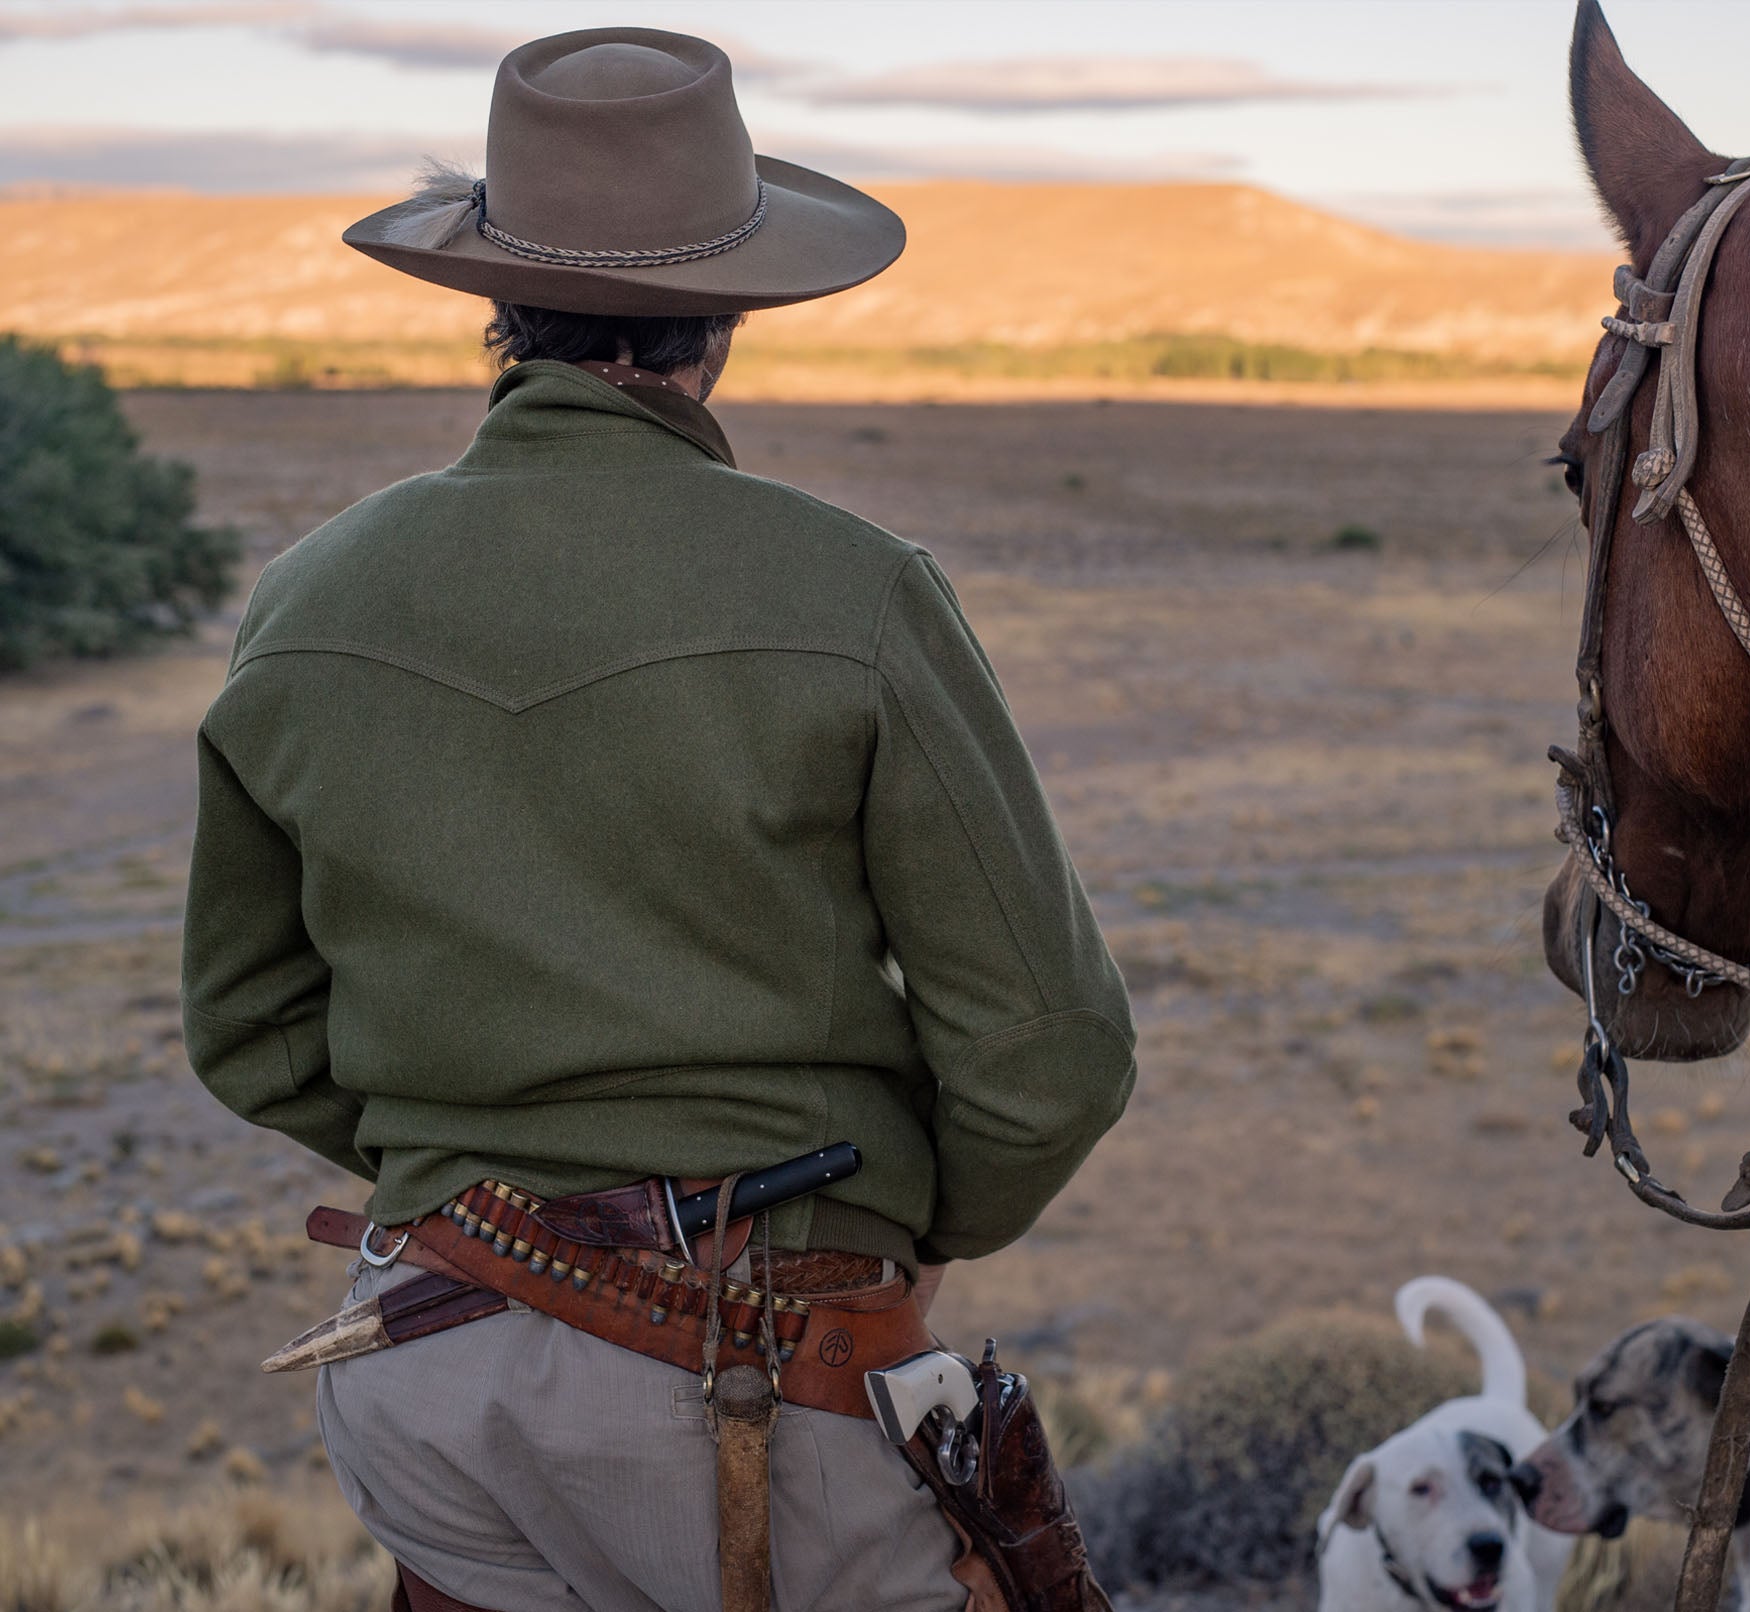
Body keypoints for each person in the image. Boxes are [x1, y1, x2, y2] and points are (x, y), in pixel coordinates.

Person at [180, 27, 1135, 1612]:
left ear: (498, 308)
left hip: (424, 1368)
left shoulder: (304, 599)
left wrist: (483, 1182)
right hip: (752, 1373)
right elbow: (1050, 1056)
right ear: (729, 317)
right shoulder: (857, 589)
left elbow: (246, 1026)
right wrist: (908, 1221)